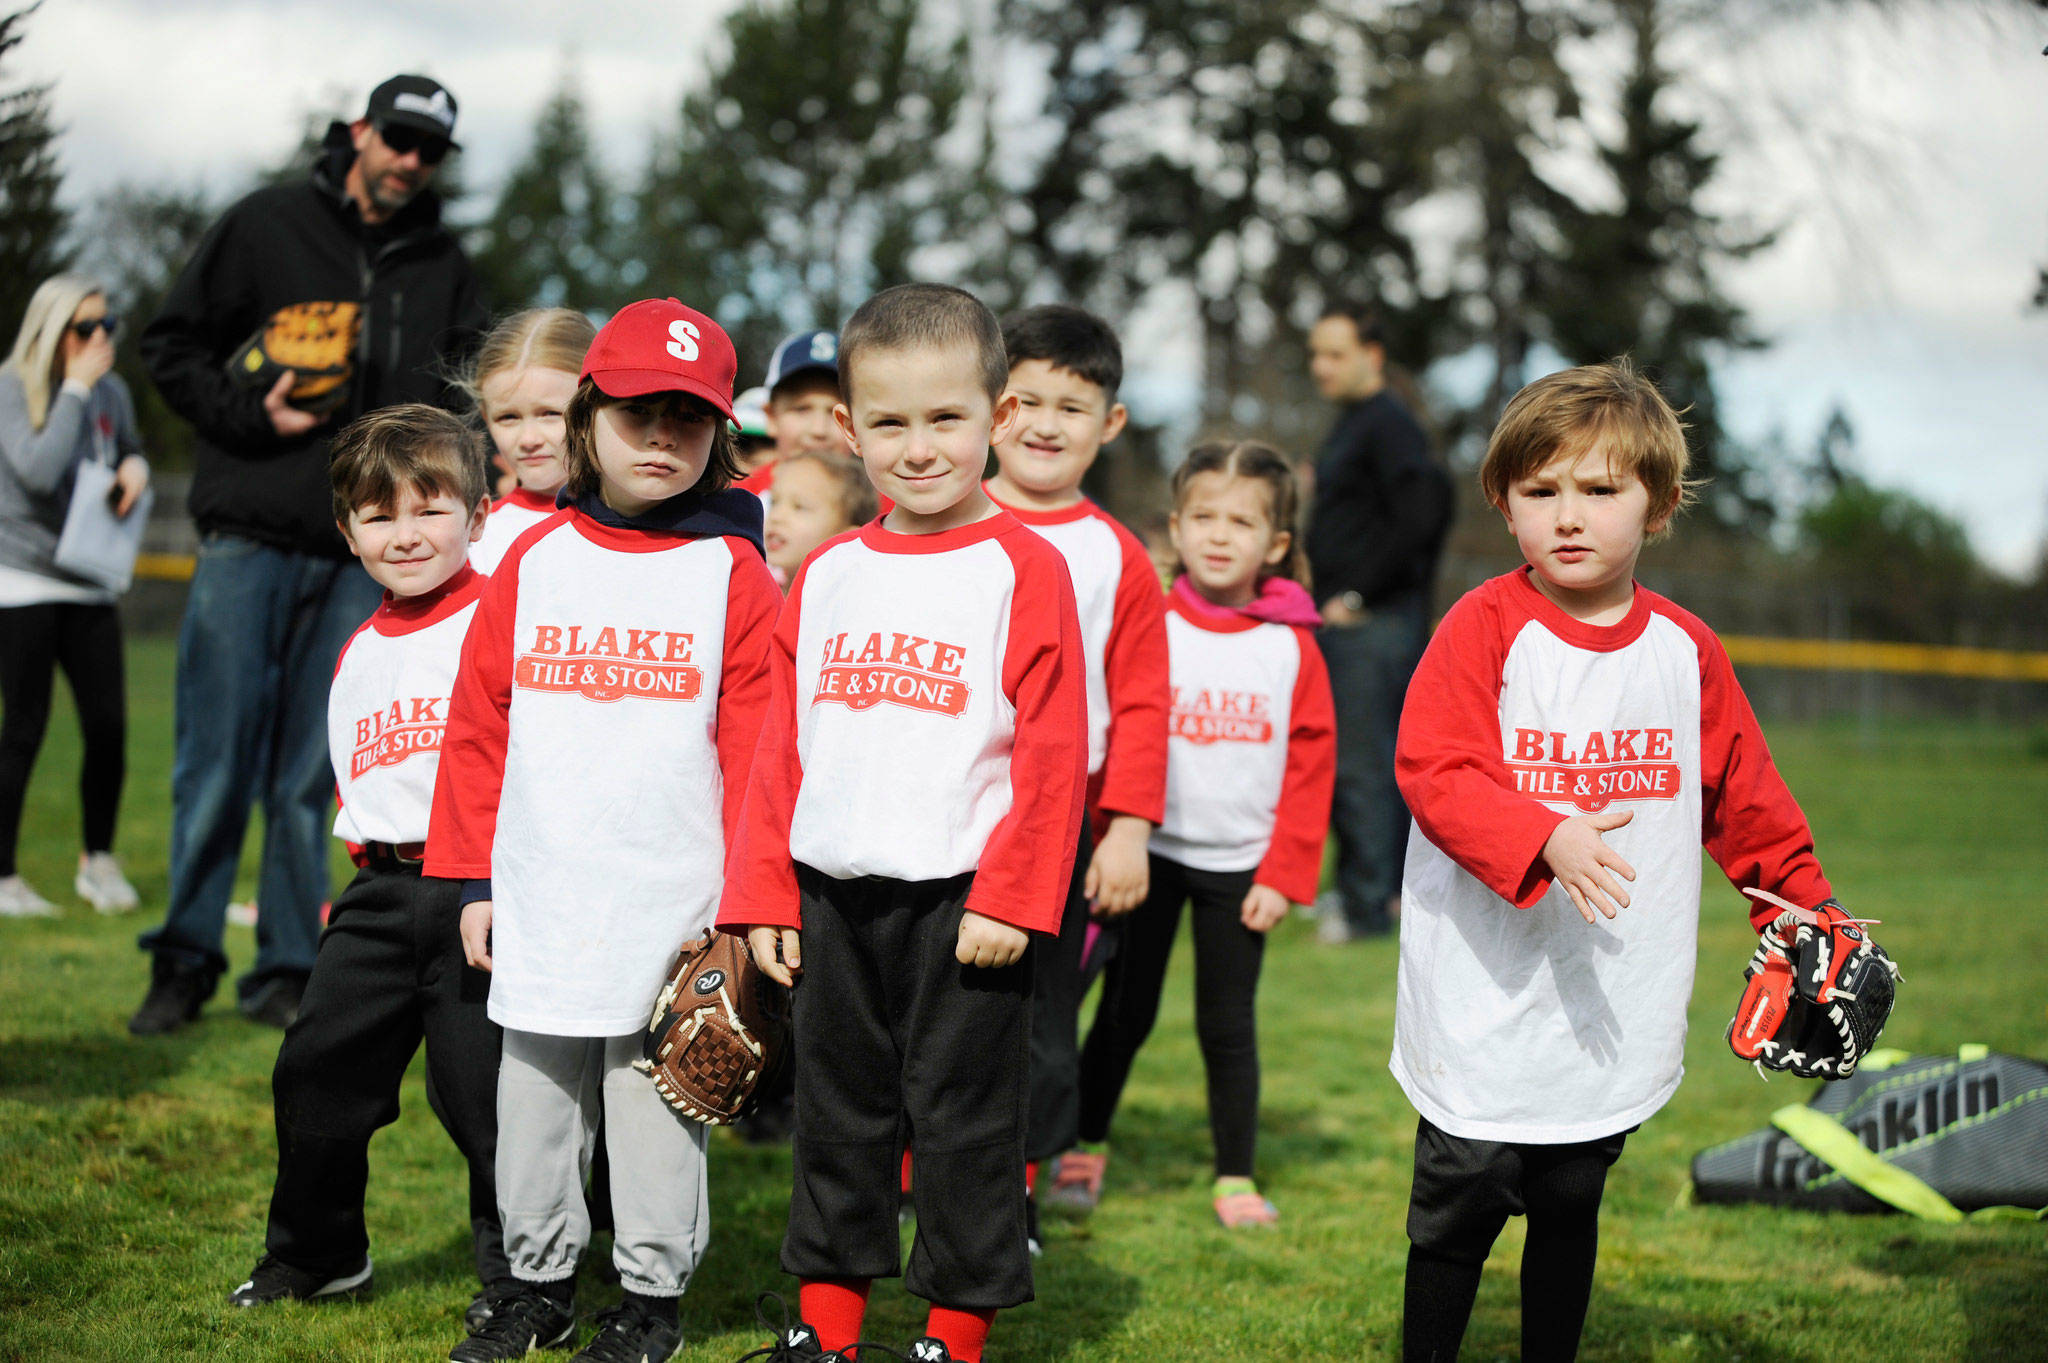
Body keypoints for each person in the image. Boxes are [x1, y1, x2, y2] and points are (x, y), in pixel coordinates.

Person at [1391, 361, 1843, 1360]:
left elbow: (1747, 803)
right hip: (1483, 977)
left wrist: (1802, 913)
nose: (1567, 515)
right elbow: (1432, 765)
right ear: (1504, 506)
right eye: (1539, 490)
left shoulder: (1684, 652)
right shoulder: (1482, 626)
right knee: (1462, 1196)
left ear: (1658, 503)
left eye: (1598, 490)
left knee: (1567, 1189)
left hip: (1610, 980)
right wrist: (1540, 833)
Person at [719, 283, 1085, 1363]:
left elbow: (1052, 754)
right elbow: (776, 750)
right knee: (837, 1121)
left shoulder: (1026, 566)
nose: (917, 447)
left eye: (944, 419)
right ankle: (824, 1332)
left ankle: (951, 1336)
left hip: (966, 905)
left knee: (964, 1127)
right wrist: (759, 895)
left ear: (999, 417)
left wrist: (1015, 895)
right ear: (845, 429)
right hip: (832, 898)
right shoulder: (829, 571)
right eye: (888, 422)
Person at [426, 298, 776, 1363]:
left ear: (719, 432)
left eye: (689, 415)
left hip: (674, 909)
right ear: (588, 420)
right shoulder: (533, 562)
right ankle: (535, 1287)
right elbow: (476, 727)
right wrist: (469, 882)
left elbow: (762, 760)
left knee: (654, 1111)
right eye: (637, 414)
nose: (662, 436)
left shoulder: (735, 575)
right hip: (541, 893)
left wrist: (748, 904)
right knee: (530, 1109)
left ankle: (649, 1304)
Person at [131, 74, 488, 1034]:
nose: (411, 162)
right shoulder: (268, 223)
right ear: (361, 132)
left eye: (429, 151)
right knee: (214, 761)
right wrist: (251, 411)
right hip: (249, 529)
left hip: (363, 558)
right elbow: (169, 343)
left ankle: (288, 965)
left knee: (310, 775)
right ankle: (184, 959)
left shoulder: (444, 262)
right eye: (399, 139)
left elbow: (466, 399)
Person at [227, 404, 510, 1331]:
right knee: (316, 1068)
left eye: (431, 507)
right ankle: (319, 1253)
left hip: (486, 887)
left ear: (477, 514)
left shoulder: (506, 617)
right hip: (383, 892)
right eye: (379, 514)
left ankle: (520, 1280)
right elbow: (366, 779)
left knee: (487, 1102)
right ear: (348, 533)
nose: (406, 532)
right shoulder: (357, 652)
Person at [1070, 440, 1334, 1229]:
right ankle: (1083, 1147)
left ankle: (1235, 1176)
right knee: (1123, 1013)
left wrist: (1283, 875)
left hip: (1239, 870)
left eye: (1244, 522)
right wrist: (1112, 831)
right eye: (1205, 517)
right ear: (1177, 528)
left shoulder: (1293, 644)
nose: (1222, 535)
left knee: (1228, 1026)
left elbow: (1311, 768)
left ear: (1277, 544)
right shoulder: (1145, 621)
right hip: (1142, 858)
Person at [980, 305, 1169, 1235]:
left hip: (1065, 827)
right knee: (929, 1014)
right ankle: (909, 1173)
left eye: (1074, 404)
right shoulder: (936, 521)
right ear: (991, 406)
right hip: (946, 815)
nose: (1047, 423)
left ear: (1112, 423)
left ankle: (1012, 1192)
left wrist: (1128, 824)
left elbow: (1141, 701)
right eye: (1027, 400)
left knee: (1038, 1024)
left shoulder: (1118, 556)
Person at [0, 275, 149, 917]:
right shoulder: (12, 385)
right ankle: (3, 878)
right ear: (51, 330)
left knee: (109, 727)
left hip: (92, 578)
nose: (99, 339)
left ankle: (99, 861)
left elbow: (128, 450)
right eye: (83, 328)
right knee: (25, 729)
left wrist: (136, 466)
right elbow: (36, 470)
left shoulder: (113, 390)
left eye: (106, 326)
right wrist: (75, 388)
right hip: (25, 579)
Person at [1303, 301, 1451, 942]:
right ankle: (1367, 892)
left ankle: (1368, 907)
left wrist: (1360, 594)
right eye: (1316, 354)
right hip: (1352, 624)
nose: (1321, 367)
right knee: (1351, 763)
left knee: (1363, 767)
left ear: (1373, 356)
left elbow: (1425, 510)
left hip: (1377, 625)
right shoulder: (1355, 424)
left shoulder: (1389, 423)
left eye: (1335, 354)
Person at [465, 308, 595, 574]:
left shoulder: (647, 524)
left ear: (596, 406)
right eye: (508, 417)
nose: (528, 439)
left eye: (550, 414)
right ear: (485, 417)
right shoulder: (472, 539)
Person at [734, 329, 842, 506]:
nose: (819, 430)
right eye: (801, 409)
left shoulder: (892, 512)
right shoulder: (733, 507)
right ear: (771, 417)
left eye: (835, 412)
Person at [763, 450, 878, 591]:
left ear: (847, 537)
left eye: (800, 507)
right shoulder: (765, 590)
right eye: (774, 502)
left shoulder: (842, 602)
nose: (776, 516)